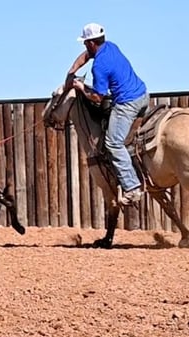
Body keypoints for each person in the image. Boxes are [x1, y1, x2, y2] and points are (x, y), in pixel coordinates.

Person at [64, 22, 150, 205]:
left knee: (113, 143)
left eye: (85, 43)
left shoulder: (99, 66)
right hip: (143, 95)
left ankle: (132, 187)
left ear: (90, 43)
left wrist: (79, 86)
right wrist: (72, 71)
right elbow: (86, 56)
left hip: (128, 104)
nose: (85, 47)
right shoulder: (110, 47)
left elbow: (97, 97)